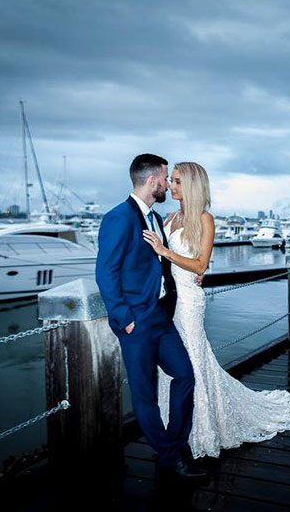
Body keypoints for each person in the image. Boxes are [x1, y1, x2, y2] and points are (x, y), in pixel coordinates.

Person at [142, 161, 290, 462]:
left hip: (189, 302)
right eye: (171, 181)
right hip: (167, 301)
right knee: (171, 367)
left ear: (192, 186)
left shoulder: (205, 220)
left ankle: (202, 428)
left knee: (193, 360)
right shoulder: (169, 218)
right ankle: (174, 425)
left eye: (177, 181)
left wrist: (165, 251)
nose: (171, 186)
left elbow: (199, 266)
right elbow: (163, 263)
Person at [95, 153, 206, 479]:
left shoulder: (156, 218)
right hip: (137, 323)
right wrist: (124, 319)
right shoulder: (119, 218)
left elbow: (161, 264)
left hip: (161, 316)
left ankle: (174, 443)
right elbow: (106, 273)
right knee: (145, 394)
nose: (168, 183)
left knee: (185, 375)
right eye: (166, 177)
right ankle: (170, 456)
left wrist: (192, 276)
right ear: (153, 181)